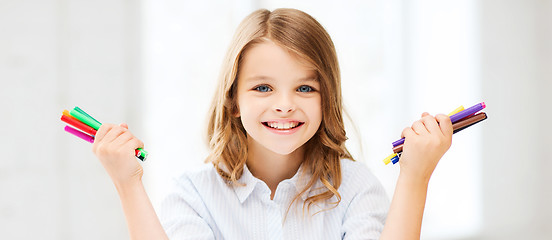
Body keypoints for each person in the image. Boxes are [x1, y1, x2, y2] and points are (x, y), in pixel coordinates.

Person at [92, 8, 453, 240]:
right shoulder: (194, 195)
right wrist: (127, 183)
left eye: (305, 88)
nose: (285, 105)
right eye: (263, 87)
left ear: (327, 98)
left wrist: (415, 177)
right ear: (233, 100)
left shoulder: (356, 188)